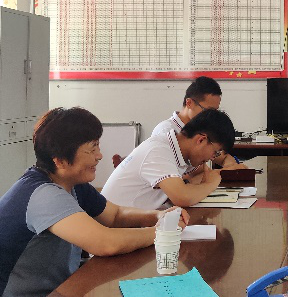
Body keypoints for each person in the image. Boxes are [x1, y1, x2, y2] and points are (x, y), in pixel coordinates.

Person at [0, 107, 189, 297]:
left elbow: (115, 216)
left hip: (61, 286)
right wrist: (162, 232)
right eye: (91, 149)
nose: (99, 155)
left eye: (97, 146)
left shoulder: (71, 183)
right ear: (60, 161)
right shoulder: (43, 195)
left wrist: (158, 216)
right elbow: (105, 243)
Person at [102, 109, 235, 210]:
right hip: (114, 228)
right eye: (215, 152)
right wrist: (210, 184)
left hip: (135, 220)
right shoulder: (159, 150)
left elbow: (192, 183)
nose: (212, 158)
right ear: (201, 140)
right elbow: (182, 197)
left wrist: (204, 183)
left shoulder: (180, 152)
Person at [151, 76, 242, 169]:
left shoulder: (204, 130)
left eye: (215, 111)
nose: (211, 115)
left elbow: (222, 157)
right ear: (189, 103)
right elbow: (182, 175)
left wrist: (231, 166)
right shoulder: (166, 131)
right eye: (208, 110)